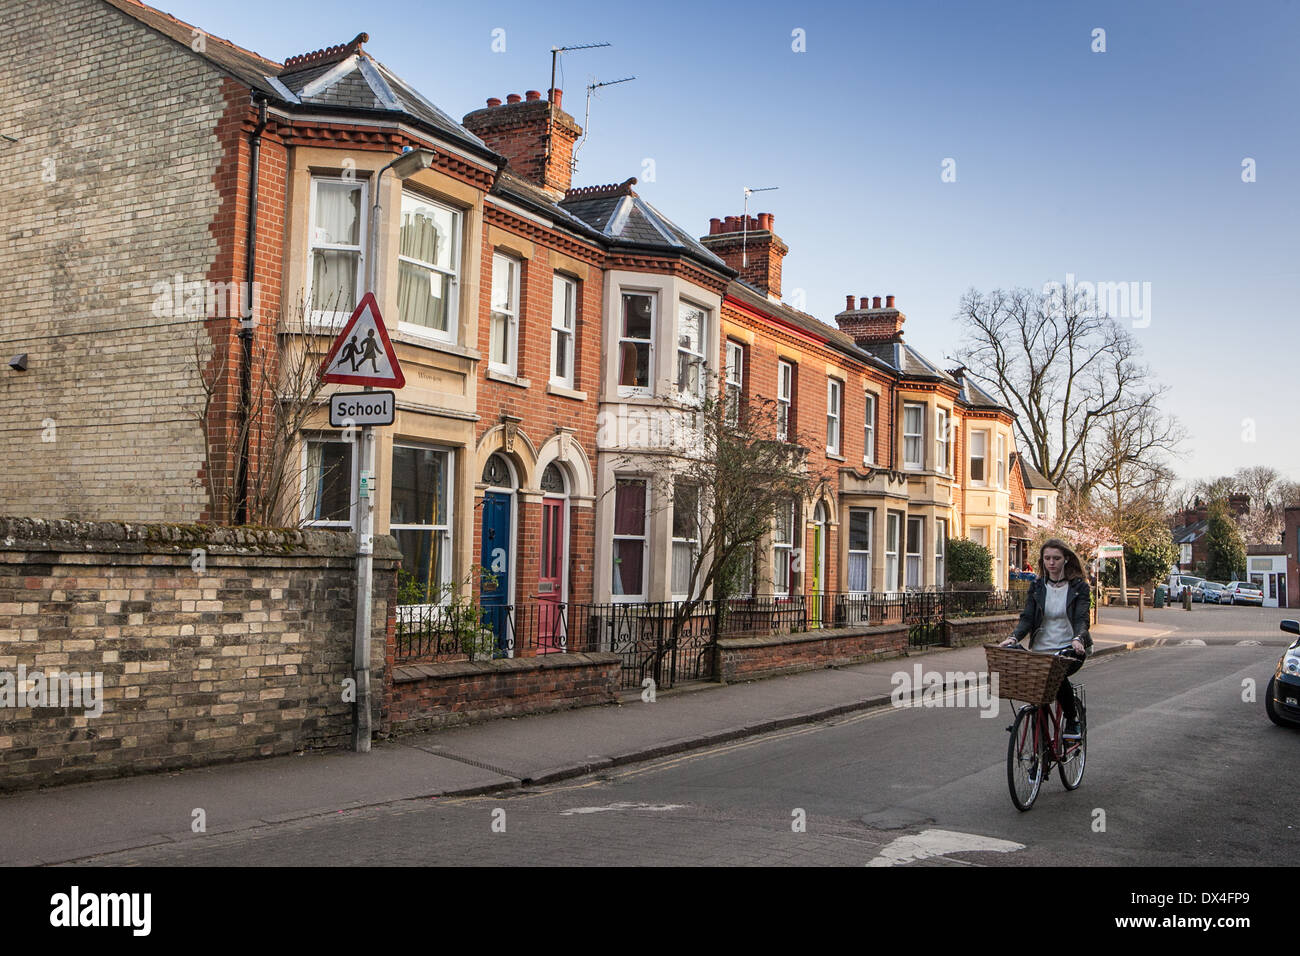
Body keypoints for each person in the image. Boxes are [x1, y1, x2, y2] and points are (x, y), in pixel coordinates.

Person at [1001, 538, 1091, 738]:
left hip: (1070, 649)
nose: (1051, 562)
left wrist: (1078, 638)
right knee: (1037, 696)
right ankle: (1038, 757)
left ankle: (1072, 719)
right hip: (1041, 650)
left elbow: (1081, 619)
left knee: (1056, 673)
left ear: (1066, 559)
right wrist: (1013, 638)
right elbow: (1027, 619)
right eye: (1047, 558)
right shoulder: (1038, 587)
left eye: (1056, 558)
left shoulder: (1078, 587)